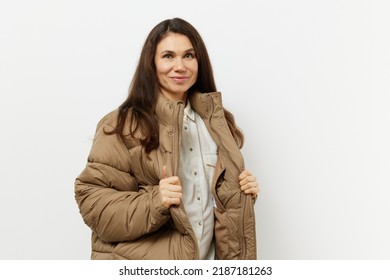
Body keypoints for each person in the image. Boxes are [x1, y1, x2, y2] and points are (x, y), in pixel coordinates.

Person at [74, 17, 260, 260]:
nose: (180, 66)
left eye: (189, 56)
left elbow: (208, 204)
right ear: (151, 63)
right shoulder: (121, 126)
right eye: (168, 56)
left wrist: (242, 193)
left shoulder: (217, 123)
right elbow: (93, 204)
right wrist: (156, 200)